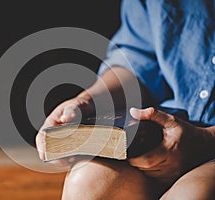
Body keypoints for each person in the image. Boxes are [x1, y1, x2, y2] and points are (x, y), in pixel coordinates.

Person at [36, 0, 215, 199]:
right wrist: (87, 100)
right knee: (88, 182)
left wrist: (207, 140)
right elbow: (137, 58)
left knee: (193, 194)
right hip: (162, 139)